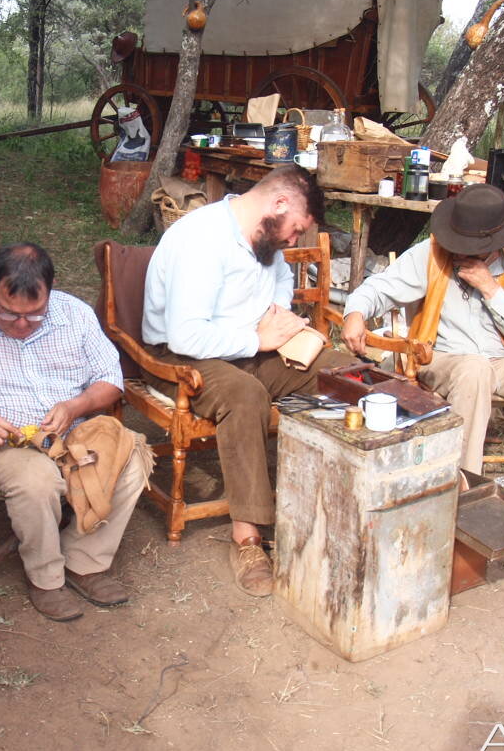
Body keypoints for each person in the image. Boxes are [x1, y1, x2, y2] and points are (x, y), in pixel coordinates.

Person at [0, 243, 147, 623]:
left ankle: (85, 561)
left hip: (70, 432)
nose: (20, 325)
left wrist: (75, 407)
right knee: (37, 481)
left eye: (34, 316)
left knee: (130, 456)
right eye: (8, 313)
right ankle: (47, 579)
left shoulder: (75, 316)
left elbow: (110, 380)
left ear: (51, 291)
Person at [141, 165, 353, 597]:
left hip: (249, 347)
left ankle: (348, 500)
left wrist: (275, 324)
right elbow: (187, 334)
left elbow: (278, 290)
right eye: (296, 230)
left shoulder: (264, 238)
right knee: (244, 395)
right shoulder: (201, 239)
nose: (293, 241)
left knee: (343, 372)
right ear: (278, 205)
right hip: (183, 355)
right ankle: (248, 536)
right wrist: (257, 339)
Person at [341, 182, 504, 543]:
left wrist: (491, 288)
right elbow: (377, 289)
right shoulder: (432, 253)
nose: (465, 253)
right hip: (442, 358)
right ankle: (463, 486)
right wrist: (355, 312)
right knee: (473, 368)